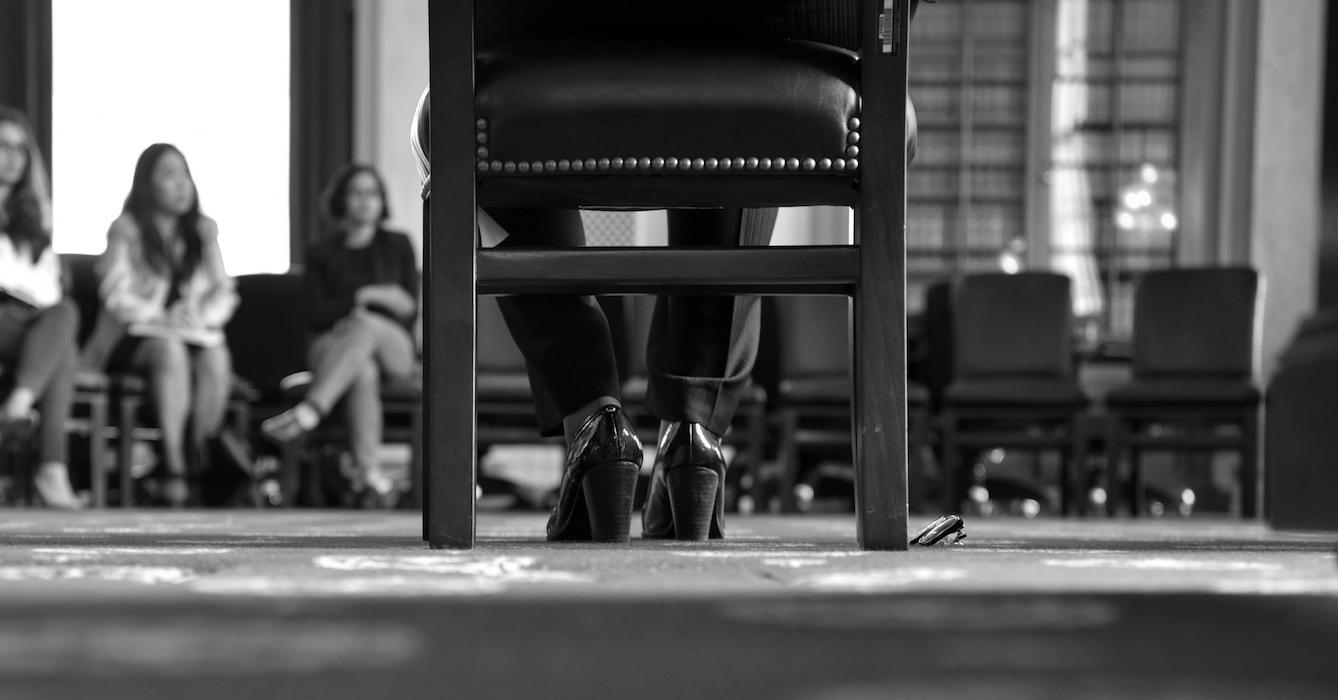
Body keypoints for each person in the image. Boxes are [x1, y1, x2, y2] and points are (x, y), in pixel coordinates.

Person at [411, 88, 775, 542]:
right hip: (761, 74)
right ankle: (692, 433)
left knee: (446, 117)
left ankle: (595, 425)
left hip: (549, 76)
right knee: (743, 108)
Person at [83, 143, 237, 507]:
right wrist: (160, 316)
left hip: (189, 333)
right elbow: (114, 293)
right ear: (146, 185)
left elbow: (224, 293)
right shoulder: (126, 229)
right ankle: (173, 463)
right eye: (168, 175)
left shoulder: (202, 232)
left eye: (184, 174)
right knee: (170, 351)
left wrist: (202, 316)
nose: (181, 184)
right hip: (133, 335)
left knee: (216, 355)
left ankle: (200, 454)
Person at [260, 164, 419, 506]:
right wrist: (365, 296)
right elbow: (315, 316)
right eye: (357, 193)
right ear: (341, 200)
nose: (365, 201)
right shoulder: (321, 252)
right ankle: (370, 478)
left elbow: (408, 307)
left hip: (395, 348)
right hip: (333, 342)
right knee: (362, 370)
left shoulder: (399, 245)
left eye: (372, 194)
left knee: (366, 327)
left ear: (382, 201)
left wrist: (361, 313)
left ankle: (309, 413)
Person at [0, 106, 81, 509]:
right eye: (3, 146)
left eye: (20, 149)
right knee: (61, 346)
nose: (13, 156)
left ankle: (17, 404)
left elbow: (46, 289)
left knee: (64, 316)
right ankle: (52, 467)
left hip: (29, 319)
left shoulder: (34, 220)